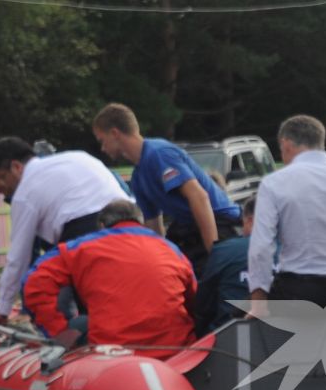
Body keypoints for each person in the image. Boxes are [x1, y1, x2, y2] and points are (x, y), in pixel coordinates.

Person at [0, 136, 129, 326]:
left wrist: (2, 309)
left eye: (0, 177)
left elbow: (18, 257)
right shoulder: (79, 157)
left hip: (86, 236)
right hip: (131, 227)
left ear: (16, 167)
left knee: (94, 313)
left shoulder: (25, 193)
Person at [21, 199, 195, 357]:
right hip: (176, 352)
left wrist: (57, 330)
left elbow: (33, 282)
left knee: (80, 323)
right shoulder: (172, 250)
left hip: (114, 355)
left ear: (103, 225)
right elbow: (193, 298)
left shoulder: (81, 248)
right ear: (140, 222)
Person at [245, 114, 326, 314]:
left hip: (298, 290)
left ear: (286, 143)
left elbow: (261, 246)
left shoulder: (274, 183)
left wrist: (258, 302)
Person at [89, 103, 238, 269]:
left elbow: (200, 197)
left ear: (115, 133)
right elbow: (154, 228)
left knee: (214, 286)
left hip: (220, 223)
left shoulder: (158, 153)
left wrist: (214, 254)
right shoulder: (138, 178)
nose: (102, 148)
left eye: (102, 141)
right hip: (191, 229)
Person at [194, 198, 255, 335]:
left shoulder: (225, 251)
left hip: (230, 339)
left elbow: (202, 308)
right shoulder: (298, 251)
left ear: (250, 221)